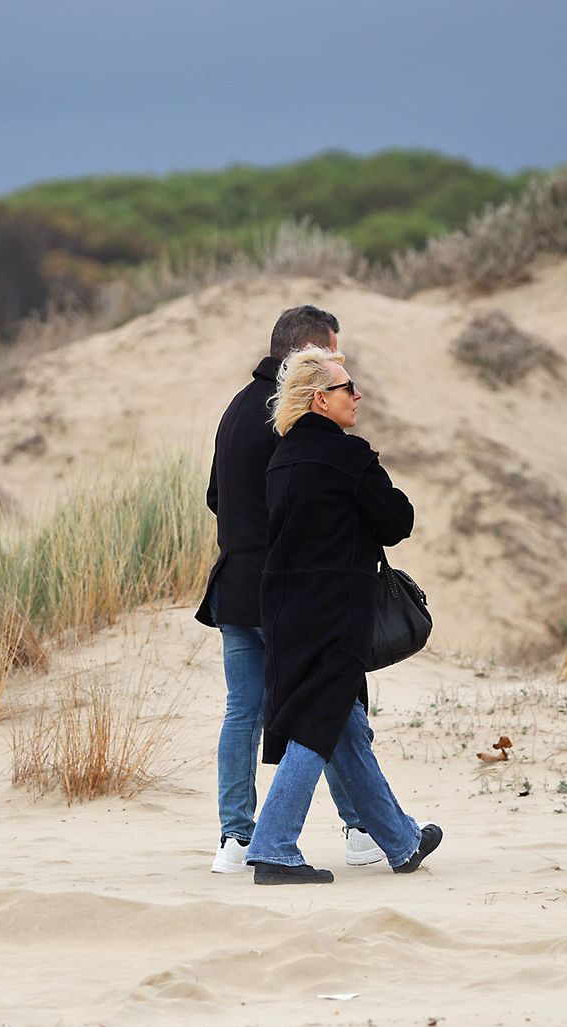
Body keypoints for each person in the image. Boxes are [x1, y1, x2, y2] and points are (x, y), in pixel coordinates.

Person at [196, 306, 384, 875]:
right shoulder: (290, 415)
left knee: (243, 712)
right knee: (328, 702)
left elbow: (214, 497)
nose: (339, 369)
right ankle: (360, 830)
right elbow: (308, 503)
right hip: (287, 592)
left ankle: (235, 838)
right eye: (334, 356)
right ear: (306, 353)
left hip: (234, 583)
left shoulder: (234, 410)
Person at [246, 346, 443, 885]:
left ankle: (401, 842)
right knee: (317, 723)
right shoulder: (347, 456)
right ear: (319, 399)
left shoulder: (281, 458)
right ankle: (273, 848)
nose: (357, 396)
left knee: (344, 728)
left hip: (284, 610)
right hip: (335, 612)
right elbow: (397, 520)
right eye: (346, 388)